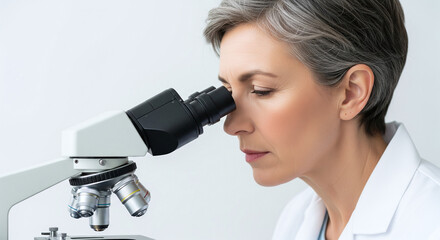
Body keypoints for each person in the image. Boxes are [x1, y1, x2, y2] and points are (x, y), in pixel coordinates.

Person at [203, 0, 440, 239]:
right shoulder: (295, 219)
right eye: (228, 92)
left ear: (351, 93)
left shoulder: (431, 224)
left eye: (261, 90)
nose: (231, 126)